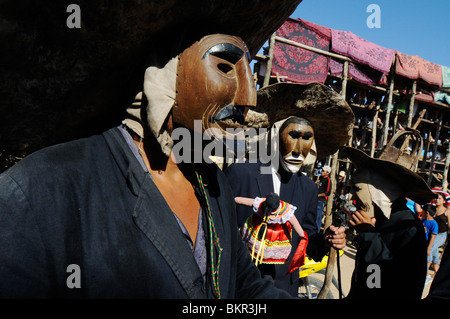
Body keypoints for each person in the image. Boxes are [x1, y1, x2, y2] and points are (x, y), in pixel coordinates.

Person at [0, 26, 294, 298]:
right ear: (166, 71)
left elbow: (244, 284)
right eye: (225, 68)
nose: (248, 97)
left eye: (250, 75)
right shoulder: (41, 188)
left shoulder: (213, 183)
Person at [224, 82, 355, 296]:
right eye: (293, 136)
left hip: (284, 288)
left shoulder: (308, 188)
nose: (298, 148)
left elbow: (308, 239)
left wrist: (326, 239)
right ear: (276, 138)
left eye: (306, 139)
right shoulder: (241, 173)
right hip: (241, 287)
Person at [342, 146, 436, 299]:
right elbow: (368, 279)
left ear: (381, 191)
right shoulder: (379, 220)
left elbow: (386, 282)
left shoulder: (408, 227)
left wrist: (369, 236)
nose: (353, 196)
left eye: (358, 188)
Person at [420, 203, 439, 284]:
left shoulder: (434, 224)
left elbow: (433, 237)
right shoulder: (422, 220)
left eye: (423, 211)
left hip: (426, 245)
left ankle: (424, 277)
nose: (421, 212)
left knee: (427, 261)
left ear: (427, 212)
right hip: (421, 244)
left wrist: (428, 249)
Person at [316, 165, 332, 231]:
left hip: (320, 200)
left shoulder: (328, 180)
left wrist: (319, 195)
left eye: (323, 171)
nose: (322, 172)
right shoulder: (320, 178)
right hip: (315, 199)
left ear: (327, 173)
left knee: (318, 216)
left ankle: (317, 231)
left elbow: (328, 192)